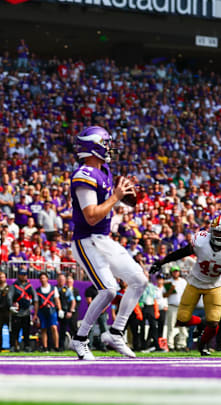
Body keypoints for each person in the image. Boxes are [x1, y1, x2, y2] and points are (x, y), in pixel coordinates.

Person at [68, 126, 148, 360]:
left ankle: (115, 333)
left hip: (103, 240)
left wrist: (126, 199)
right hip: (86, 241)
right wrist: (116, 197)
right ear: (94, 146)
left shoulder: (104, 171)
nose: (109, 147)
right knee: (108, 289)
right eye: (106, 143)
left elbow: (110, 204)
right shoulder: (84, 175)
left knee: (139, 280)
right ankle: (80, 339)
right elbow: (91, 215)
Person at [151, 214, 221, 356]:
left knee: (214, 322)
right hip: (195, 282)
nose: (219, 236)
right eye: (217, 232)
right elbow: (181, 253)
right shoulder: (201, 241)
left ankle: (203, 345)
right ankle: (201, 323)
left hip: (214, 285)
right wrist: (161, 262)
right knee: (182, 320)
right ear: (211, 231)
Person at [34, 273, 63, 352]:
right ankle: (45, 347)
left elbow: (57, 299)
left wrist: (60, 309)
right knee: (43, 328)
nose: (43, 280)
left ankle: (56, 347)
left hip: (52, 311)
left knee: (54, 327)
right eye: (41, 278)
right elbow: (36, 303)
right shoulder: (37, 290)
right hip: (42, 311)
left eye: (44, 278)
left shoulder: (53, 288)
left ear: (47, 279)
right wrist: (35, 314)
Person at [8, 268, 35, 352]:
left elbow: (35, 298)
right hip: (16, 312)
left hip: (26, 312)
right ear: (18, 275)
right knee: (14, 331)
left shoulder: (29, 286)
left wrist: (31, 307)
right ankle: (13, 346)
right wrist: (11, 306)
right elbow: (9, 297)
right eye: (22, 275)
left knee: (26, 331)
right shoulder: (14, 286)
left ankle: (26, 346)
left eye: (25, 275)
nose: (24, 276)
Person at [164, 267, 188, 351]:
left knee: (183, 327)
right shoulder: (168, 282)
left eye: (177, 271)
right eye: (174, 272)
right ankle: (170, 345)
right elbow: (164, 295)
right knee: (171, 326)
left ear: (179, 272)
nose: (175, 273)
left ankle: (181, 344)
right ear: (171, 273)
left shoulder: (183, 282)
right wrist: (170, 290)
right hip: (172, 306)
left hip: (182, 306)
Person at [57, 274, 80, 349]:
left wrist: (70, 311)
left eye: (63, 280)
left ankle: (77, 345)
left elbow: (73, 301)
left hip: (67, 312)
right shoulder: (55, 288)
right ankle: (59, 346)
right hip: (57, 312)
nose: (61, 281)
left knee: (72, 328)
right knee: (60, 330)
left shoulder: (68, 290)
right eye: (60, 279)